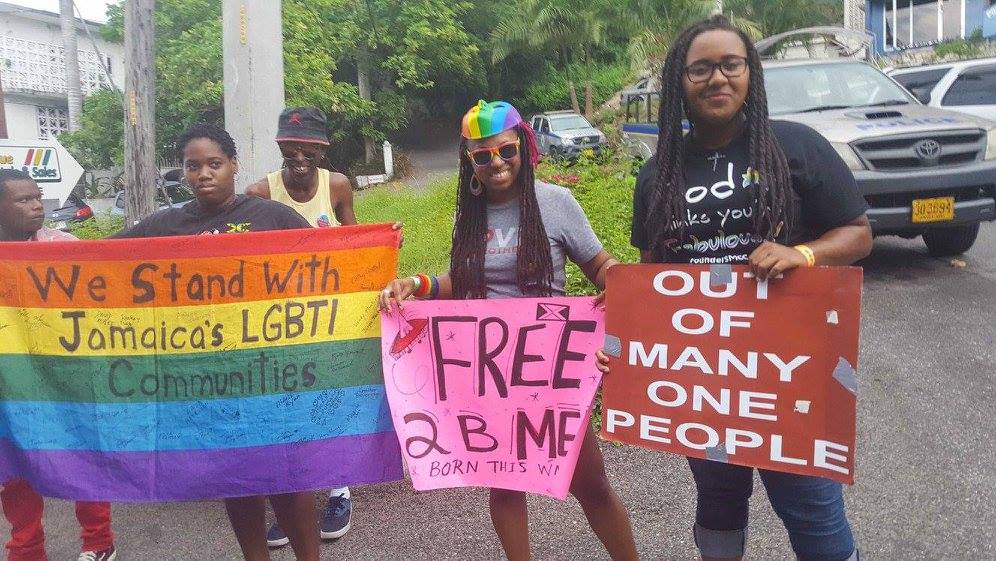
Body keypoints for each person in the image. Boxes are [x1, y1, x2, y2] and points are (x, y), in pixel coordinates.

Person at [604, 15, 873, 561]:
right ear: (681, 82)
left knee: (812, 504)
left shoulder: (796, 146)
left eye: (730, 64)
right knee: (720, 495)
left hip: (788, 373)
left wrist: (802, 254)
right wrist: (626, 349)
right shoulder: (658, 174)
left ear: (750, 73)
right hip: (704, 376)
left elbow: (859, 233)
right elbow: (653, 276)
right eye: (699, 69)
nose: (717, 79)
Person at [379, 100, 639, 561]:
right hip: (492, 374)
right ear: (470, 163)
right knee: (504, 485)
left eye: (505, 150)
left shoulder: (556, 204)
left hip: (550, 370)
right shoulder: (469, 216)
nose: (496, 163)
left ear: (525, 147)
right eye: (482, 156)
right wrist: (417, 284)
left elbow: (601, 266)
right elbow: (468, 281)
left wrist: (618, 285)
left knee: (591, 483)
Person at [112, 124, 320, 561]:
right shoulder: (165, 225)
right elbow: (99, 262)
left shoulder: (270, 216)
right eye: (193, 166)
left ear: (233, 166)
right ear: (183, 173)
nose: (203, 173)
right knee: (234, 478)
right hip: (205, 380)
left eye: (214, 164)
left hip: (269, 373)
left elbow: (325, 261)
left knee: (286, 477)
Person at [246, 107, 356, 547]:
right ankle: (292, 506)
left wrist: (386, 244)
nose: (299, 155)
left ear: (322, 149)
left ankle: (338, 489)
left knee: (328, 399)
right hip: (280, 321)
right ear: (278, 147)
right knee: (287, 406)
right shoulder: (260, 192)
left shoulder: (338, 186)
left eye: (309, 147)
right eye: (291, 147)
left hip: (328, 316)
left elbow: (354, 243)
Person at [0, 168, 117, 561]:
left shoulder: (62, 246)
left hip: (67, 376)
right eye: (23, 200)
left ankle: (99, 543)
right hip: (11, 383)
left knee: (82, 456)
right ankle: (27, 548)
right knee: (15, 464)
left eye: (37, 197)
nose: (37, 206)